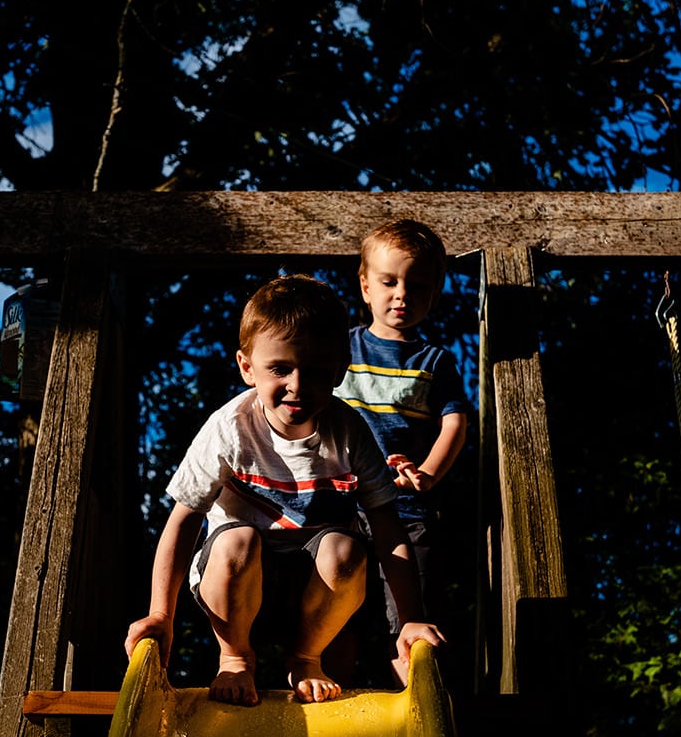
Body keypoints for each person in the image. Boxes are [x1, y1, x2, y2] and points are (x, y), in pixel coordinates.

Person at [124, 275, 446, 705]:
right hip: (238, 582)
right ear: (246, 367)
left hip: (315, 595)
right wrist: (161, 614)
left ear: (339, 369)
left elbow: (388, 528)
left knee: (347, 549)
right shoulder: (230, 429)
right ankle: (235, 658)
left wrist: (411, 619)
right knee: (237, 538)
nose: (297, 385)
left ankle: (307, 659)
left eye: (314, 371)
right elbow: (183, 520)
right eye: (280, 368)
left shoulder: (348, 432)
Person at [334, 220, 469, 681]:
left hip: (406, 508)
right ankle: (334, 691)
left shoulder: (433, 361)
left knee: (412, 614)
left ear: (434, 295)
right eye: (389, 281)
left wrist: (428, 473)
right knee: (338, 609)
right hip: (340, 507)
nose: (402, 294)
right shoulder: (340, 348)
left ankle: (408, 695)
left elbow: (454, 422)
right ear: (365, 285)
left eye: (418, 286)